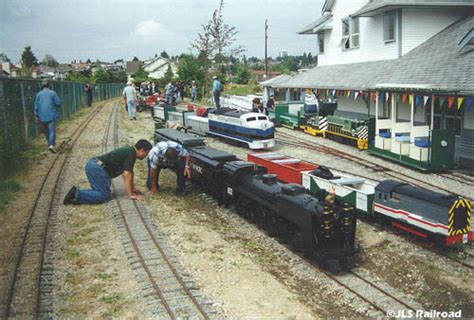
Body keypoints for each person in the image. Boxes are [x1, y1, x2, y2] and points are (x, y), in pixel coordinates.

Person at [63, 139, 153, 205]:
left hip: (95, 165)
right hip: (97, 168)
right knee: (104, 196)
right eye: (146, 153)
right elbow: (127, 174)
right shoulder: (131, 153)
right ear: (141, 150)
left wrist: (132, 188)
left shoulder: (129, 151)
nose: (146, 156)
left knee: (100, 192)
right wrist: (131, 195)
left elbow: (130, 173)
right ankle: (77, 194)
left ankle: (78, 194)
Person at [34, 79, 62, 153]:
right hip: (51, 115)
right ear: (49, 85)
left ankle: (50, 144)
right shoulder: (53, 93)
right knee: (52, 131)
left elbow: (36, 105)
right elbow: (58, 103)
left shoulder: (38, 94)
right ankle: (51, 145)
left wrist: (36, 116)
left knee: (46, 132)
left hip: (41, 116)